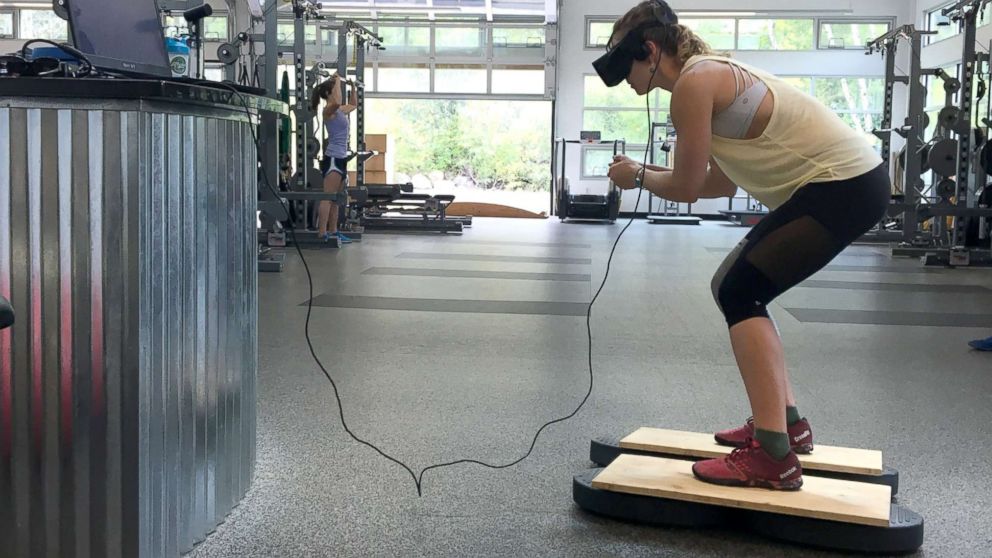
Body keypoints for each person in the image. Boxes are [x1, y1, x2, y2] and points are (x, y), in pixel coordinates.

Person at [601, 0, 890, 490]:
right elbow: (719, 185)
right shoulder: (705, 81)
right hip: (846, 186)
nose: (625, 81)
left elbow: (688, 189)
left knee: (740, 292)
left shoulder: (695, 83)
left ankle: (773, 455)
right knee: (731, 286)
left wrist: (638, 175)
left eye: (623, 66)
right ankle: (787, 423)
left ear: (649, 51)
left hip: (841, 186)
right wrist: (648, 175)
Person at [310, 74, 358, 244]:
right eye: (337, 89)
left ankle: (334, 231)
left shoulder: (339, 111)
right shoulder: (328, 110)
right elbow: (337, 101)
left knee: (337, 199)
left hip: (342, 157)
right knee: (328, 196)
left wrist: (353, 87)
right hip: (332, 158)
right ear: (330, 92)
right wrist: (337, 80)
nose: (339, 92)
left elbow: (353, 105)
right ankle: (322, 233)